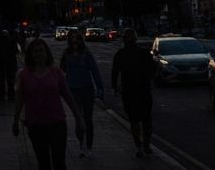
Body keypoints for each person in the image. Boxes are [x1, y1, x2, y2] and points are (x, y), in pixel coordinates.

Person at [11, 37, 84, 170]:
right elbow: (19, 99)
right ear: (31, 54)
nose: (38, 54)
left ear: (46, 53)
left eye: (41, 51)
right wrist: (15, 121)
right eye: (35, 51)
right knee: (43, 164)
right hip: (36, 125)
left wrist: (78, 118)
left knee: (59, 163)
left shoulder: (56, 73)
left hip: (57, 124)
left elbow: (68, 96)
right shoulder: (24, 74)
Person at [111, 28, 156, 157]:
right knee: (146, 121)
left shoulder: (120, 54)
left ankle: (139, 146)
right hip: (142, 91)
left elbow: (114, 73)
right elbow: (153, 70)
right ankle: (145, 145)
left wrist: (114, 87)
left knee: (135, 121)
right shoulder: (144, 53)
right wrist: (147, 78)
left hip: (130, 92)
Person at [59, 28, 104, 158]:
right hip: (73, 90)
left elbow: (94, 71)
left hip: (87, 89)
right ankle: (81, 144)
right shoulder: (66, 54)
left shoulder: (86, 54)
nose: (75, 41)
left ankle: (89, 146)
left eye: (77, 38)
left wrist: (100, 88)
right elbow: (61, 73)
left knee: (88, 118)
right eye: (72, 38)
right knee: (78, 118)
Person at [0, 29, 20, 101]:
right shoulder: (11, 42)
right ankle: (10, 95)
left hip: (0, 65)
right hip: (9, 65)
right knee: (10, 81)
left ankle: (2, 95)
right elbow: (16, 52)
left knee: (1, 81)